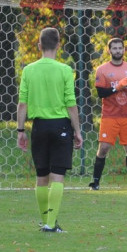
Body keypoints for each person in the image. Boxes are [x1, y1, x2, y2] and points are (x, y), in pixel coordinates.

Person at [16, 27, 83, 233]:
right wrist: (77, 131)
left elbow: (22, 104)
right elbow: (71, 104)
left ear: (39, 46)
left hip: (39, 127)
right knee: (57, 176)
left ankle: (46, 221)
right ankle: (51, 223)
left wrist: (20, 130)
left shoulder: (29, 70)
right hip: (60, 125)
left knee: (41, 176)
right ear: (58, 45)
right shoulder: (64, 70)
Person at [89, 37, 127, 190]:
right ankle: (95, 183)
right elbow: (101, 93)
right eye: (114, 48)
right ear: (109, 50)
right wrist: (118, 87)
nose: (117, 51)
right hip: (109, 116)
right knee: (104, 148)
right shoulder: (102, 70)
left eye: (119, 48)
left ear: (124, 50)